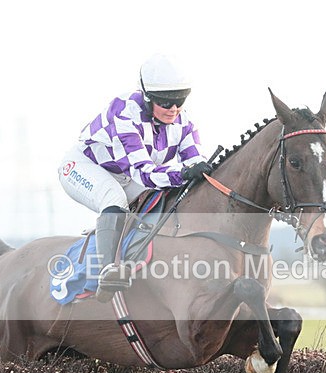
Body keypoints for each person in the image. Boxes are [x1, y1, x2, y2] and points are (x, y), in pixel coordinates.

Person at [59, 54, 213, 303]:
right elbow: (145, 173)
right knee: (114, 198)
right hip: (84, 166)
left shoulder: (183, 122)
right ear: (148, 97)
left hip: (127, 173)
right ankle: (107, 270)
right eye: (166, 102)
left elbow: (194, 161)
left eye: (180, 100)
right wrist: (183, 173)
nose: (174, 109)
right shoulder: (124, 115)